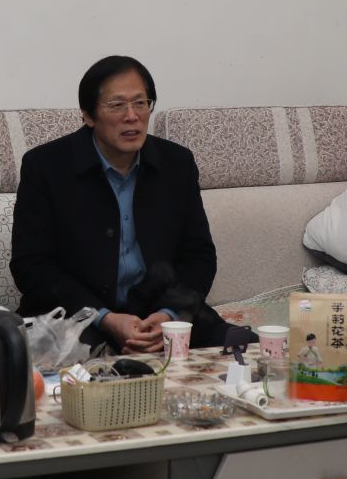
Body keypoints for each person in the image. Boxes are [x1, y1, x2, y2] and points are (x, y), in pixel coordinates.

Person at [11, 55, 222, 353]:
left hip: (159, 313)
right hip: (76, 316)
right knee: (92, 365)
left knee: (243, 350)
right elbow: (32, 266)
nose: (132, 116)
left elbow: (199, 256)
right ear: (89, 116)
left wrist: (168, 315)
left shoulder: (177, 164)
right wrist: (104, 318)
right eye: (117, 105)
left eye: (140, 103)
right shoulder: (45, 167)